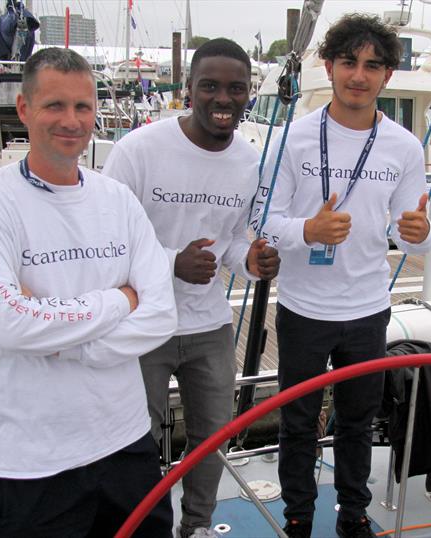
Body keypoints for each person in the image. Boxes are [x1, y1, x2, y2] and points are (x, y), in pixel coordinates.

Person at [0, 48, 176, 537]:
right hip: (29, 459)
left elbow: (161, 313)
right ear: (24, 109)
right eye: (55, 105)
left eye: (83, 107)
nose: (71, 120)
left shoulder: (117, 199)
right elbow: (11, 322)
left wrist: (62, 341)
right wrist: (120, 300)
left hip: (125, 441)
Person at [252, 14, 431, 538]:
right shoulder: (295, 138)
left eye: (372, 66)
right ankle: (298, 516)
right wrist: (308, 230)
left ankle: (354, 515)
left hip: (367, 311)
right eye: (349, 62)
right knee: (297, 423)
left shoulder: (403, 145)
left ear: (387, 76)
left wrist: (420, 230)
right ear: (328, 66)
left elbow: (416, 234)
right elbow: (262, 221)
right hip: (304, 310)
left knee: (360, 422)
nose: (359, 75)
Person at [103, 38, 280, 538]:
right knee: (132, 438)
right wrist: (170, 264)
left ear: (249, 95)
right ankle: (138, 527)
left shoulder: (249, 162)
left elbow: (229, 243)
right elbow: (106, 241)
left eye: (236, 89)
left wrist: (250, 260)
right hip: (141, 324)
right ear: (188, 89)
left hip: (208, 325)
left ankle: (197, 526)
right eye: (210, 87)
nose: (223, 99)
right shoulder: (137, 151)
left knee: (212, 438)